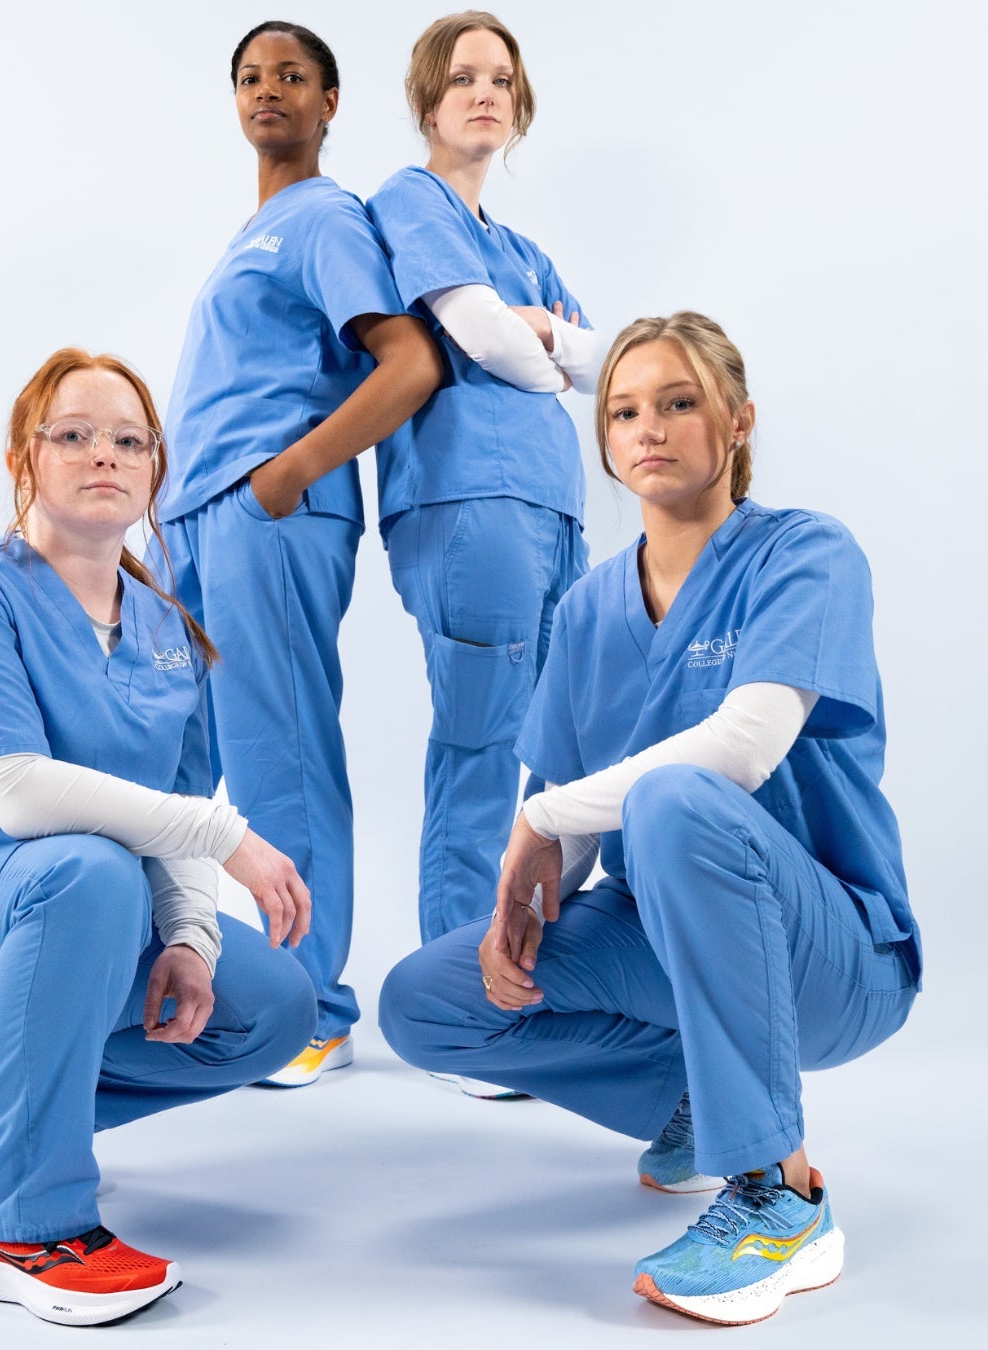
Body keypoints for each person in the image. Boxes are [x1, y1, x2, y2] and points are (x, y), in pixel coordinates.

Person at [376, 313, 921, 1325]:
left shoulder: (806, 555)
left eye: (678, 403)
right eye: (624, 410)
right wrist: (525, 903)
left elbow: (743, 748)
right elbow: (567, 831)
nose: (648, 429)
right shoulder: (588, 608)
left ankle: (776, 1194)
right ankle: (694, 1098)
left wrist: (541, 810)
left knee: (677, 799)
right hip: (665, 945)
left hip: (832, 955)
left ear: (738, 421)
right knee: (427, 1000)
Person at [0, 349, 319, 1326]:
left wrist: (190, 939)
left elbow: (173, 809)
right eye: (75, 435)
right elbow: (16, 794)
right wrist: (231, 839)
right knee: (87, 871)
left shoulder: (170, 631)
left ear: (153, 471)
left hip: (72, 922)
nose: (105, 453)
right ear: (25, 461)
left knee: (270, 1008)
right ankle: (17, 1225)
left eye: (129, 439)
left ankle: (22, 1108)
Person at [158, 21, 440, 1085]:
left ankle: (314, 1002)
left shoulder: (324, 217)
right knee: (177, 764)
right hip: (195, 523)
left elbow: (406, 363)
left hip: (265, 515)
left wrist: (284, 474)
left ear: (329, 104)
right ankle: (184, 980)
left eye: (291, 76)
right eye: (249, 76)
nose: (266, 89)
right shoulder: (254, 230)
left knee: (281, 755)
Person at [364, 10, 604, 1099]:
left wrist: (549, 338)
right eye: (463, 78)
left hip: (552, 510)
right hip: (472, 503)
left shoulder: (523, 248)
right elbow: (479, 332)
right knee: (481, 743)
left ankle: (528, 975)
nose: (486, 94)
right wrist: (533, 339)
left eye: (502, 79)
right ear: (428, 103)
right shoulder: (410, 203)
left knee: (562, 751)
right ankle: (461, 1002)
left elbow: (603, 365)